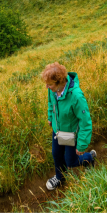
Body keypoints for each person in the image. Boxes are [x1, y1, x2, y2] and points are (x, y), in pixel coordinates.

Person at [42, 62, 96, 191]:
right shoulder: (53, 91)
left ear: (59, 82)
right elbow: (51, 104)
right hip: (57, 131)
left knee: (71, 161)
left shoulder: (76, 96)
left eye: (49, 84)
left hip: (71, 134)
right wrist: (50, 118)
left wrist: (82, 144)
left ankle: (90, 157)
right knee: (56, 155)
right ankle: (60, 178)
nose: (46, 87)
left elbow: (85, 121)